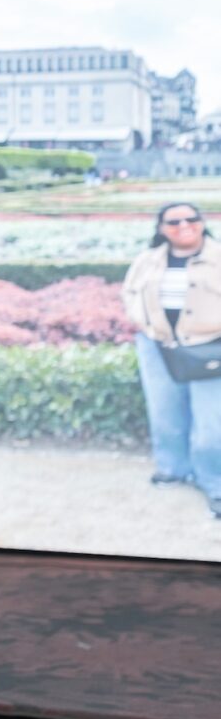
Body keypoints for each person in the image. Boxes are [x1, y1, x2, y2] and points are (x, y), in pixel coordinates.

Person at [121, 202, 221, 518]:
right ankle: (173, 468)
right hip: (158, 345)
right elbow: (130, 293)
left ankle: (215, 482)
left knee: (212, 424)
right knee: (165, 412)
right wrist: (144, 322)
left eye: (191, 219)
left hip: (210, 347)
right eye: (174, 222)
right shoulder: (148, 260)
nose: (183, 226)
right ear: (161, 229)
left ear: (202, 222)